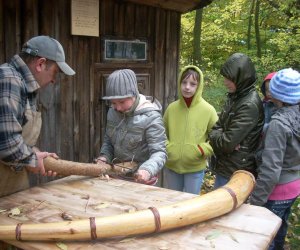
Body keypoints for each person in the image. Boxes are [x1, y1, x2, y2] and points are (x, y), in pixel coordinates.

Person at [0, 35, 75, 197]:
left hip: (10, 184)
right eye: (55, 72)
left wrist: (37, 153)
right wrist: (34, 160)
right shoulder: (9, 80)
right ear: (41, 64)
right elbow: (6, 145)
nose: (54, 80)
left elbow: (17, 137)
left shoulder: (25, 86)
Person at [249, 68, 300, 250]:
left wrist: (255, 201)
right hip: (294, 187)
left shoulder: (278, 125)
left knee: (264, 237)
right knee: (280, 229)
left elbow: (271, 171)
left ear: (277, 94)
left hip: (277, 191)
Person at [95, 69, 167, 185]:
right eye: (113, 103)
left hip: (143, 181)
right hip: (116, 177)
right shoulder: (112, 113)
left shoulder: (151, 116)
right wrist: (104, 157)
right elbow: (109, 141)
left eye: (122, 102)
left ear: (134, 94)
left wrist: (146, 170)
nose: (117, 108)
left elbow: (159, 152)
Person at [208, 53, 264, 188]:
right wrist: (219, 134)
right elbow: (216, 129)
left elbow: (226, 143)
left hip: (236, 172)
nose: (225, 82)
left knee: (224, 208)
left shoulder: (249, 104)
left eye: (229, 79)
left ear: (241, 78)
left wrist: (220, 134)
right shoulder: (235, 97)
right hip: (227, 167)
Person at [163, 65, 218, 194]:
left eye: (193, 84)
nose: (187, 87)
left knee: (190, 202)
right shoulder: (171, 108)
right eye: (184, 82)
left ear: (199, 86)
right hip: (172, 167)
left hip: (195, 168)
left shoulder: (208, 110)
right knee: (172, 202)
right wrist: (168, 148)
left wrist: (201, 150)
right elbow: (160, 133)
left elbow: (217, 138)